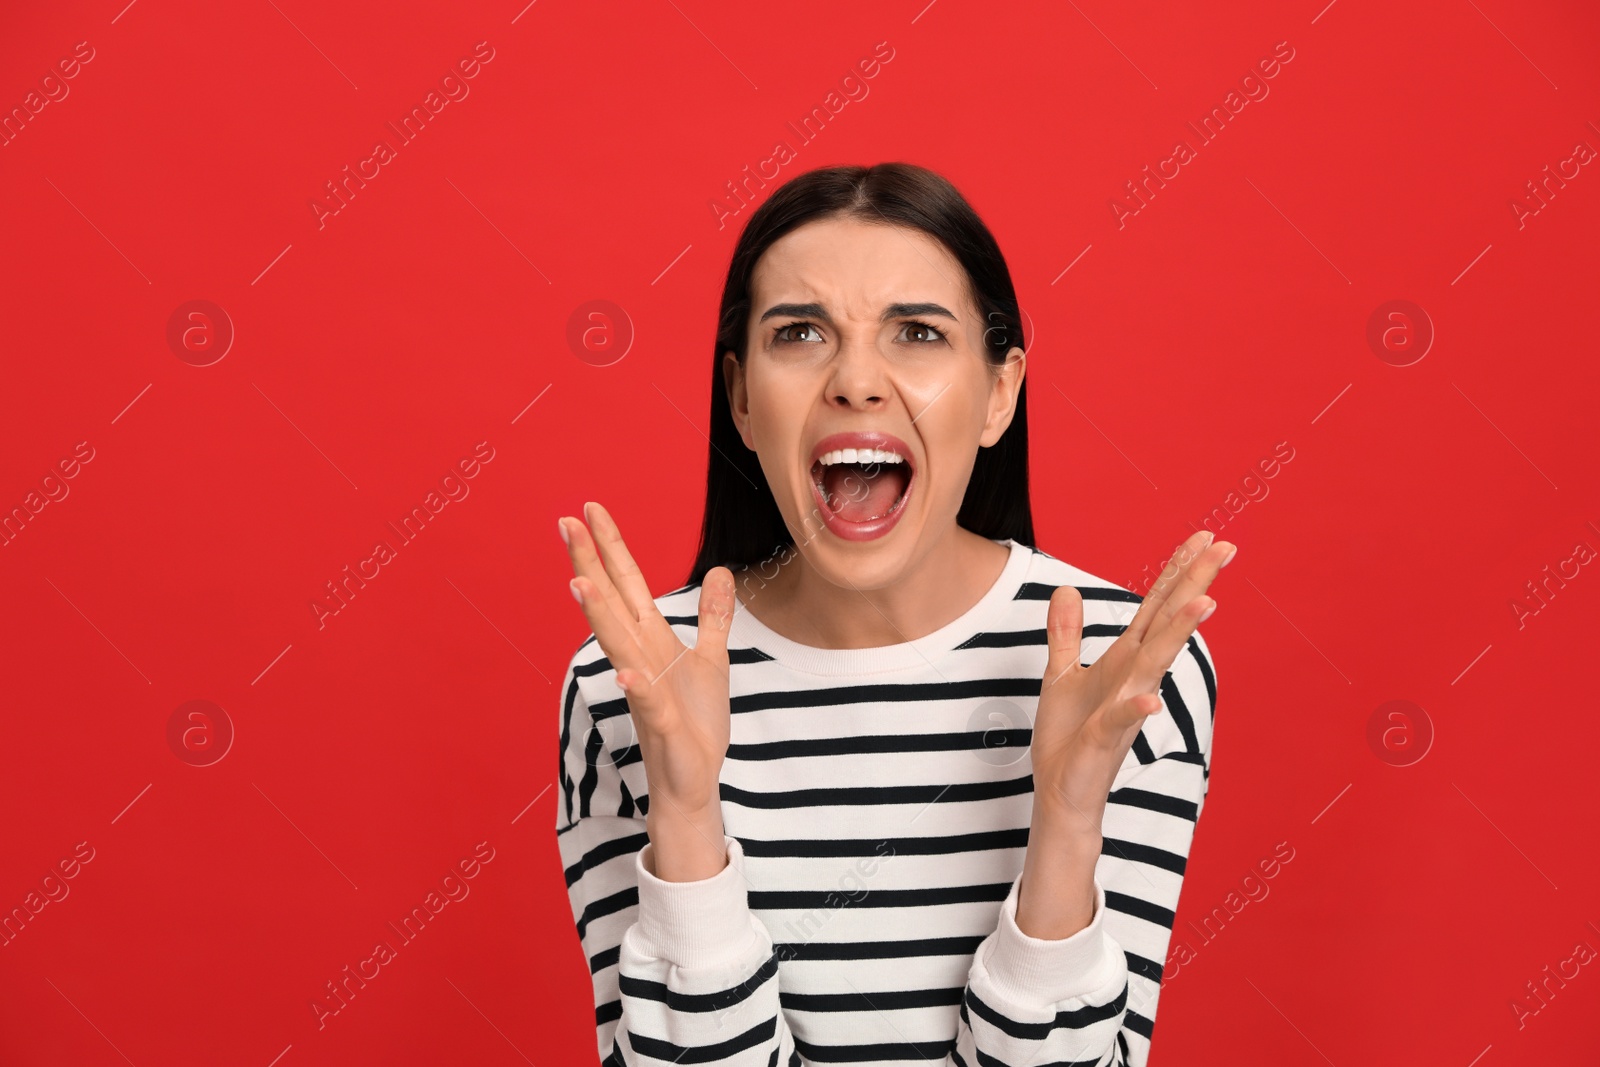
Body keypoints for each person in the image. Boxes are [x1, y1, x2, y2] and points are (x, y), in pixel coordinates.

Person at [555, 161, 1234, 1066]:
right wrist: (686, 815)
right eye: (800, 332)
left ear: (1000, 392)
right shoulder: (628, 683)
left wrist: (1066, 825)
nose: (857, 381)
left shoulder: (1129, 675)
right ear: (743, 399)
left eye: (916, 331)